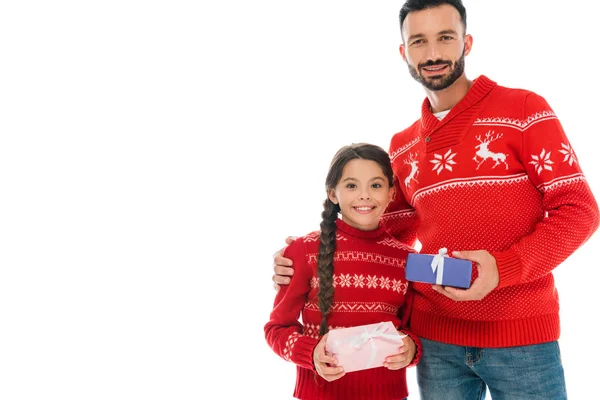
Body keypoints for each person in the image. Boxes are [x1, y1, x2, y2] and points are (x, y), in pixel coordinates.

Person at [272, 1, 600, 399]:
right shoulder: (402, 146)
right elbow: (379, 231)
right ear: (403, 52)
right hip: (433, 344)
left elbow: (580, 210)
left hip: (522, 341)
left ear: (467, 42)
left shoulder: (524, 110)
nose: (432, 54)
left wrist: (503, 268)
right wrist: (310, 252)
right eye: (418, 41)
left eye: (445, 38)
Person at [264, 143, 421, 400]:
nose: (364, 195)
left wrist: (412, 349)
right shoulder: (303, 251)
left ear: (391, 193)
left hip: (389, 394)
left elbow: (414, 330)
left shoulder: (408, 260)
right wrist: (310, 353)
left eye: (376, 185)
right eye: (351, 185)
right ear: (333, 194)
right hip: (319, 394)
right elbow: (277, 329)